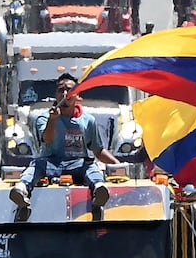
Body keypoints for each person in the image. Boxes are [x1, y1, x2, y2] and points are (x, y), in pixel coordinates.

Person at [10, 72, 119, 212]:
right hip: (51, 164)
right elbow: (47, 139)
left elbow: (98, 150)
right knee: (37, 165)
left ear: (77, 96)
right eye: (61, 90)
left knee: (91, 166)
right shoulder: (44, 118)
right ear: (56, 95)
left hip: (78, 165)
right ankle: (21, 188)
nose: (65, 94)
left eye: (70, 90)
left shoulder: (88, 121)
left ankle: (99, 189)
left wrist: (117, 165)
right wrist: (53, 120)